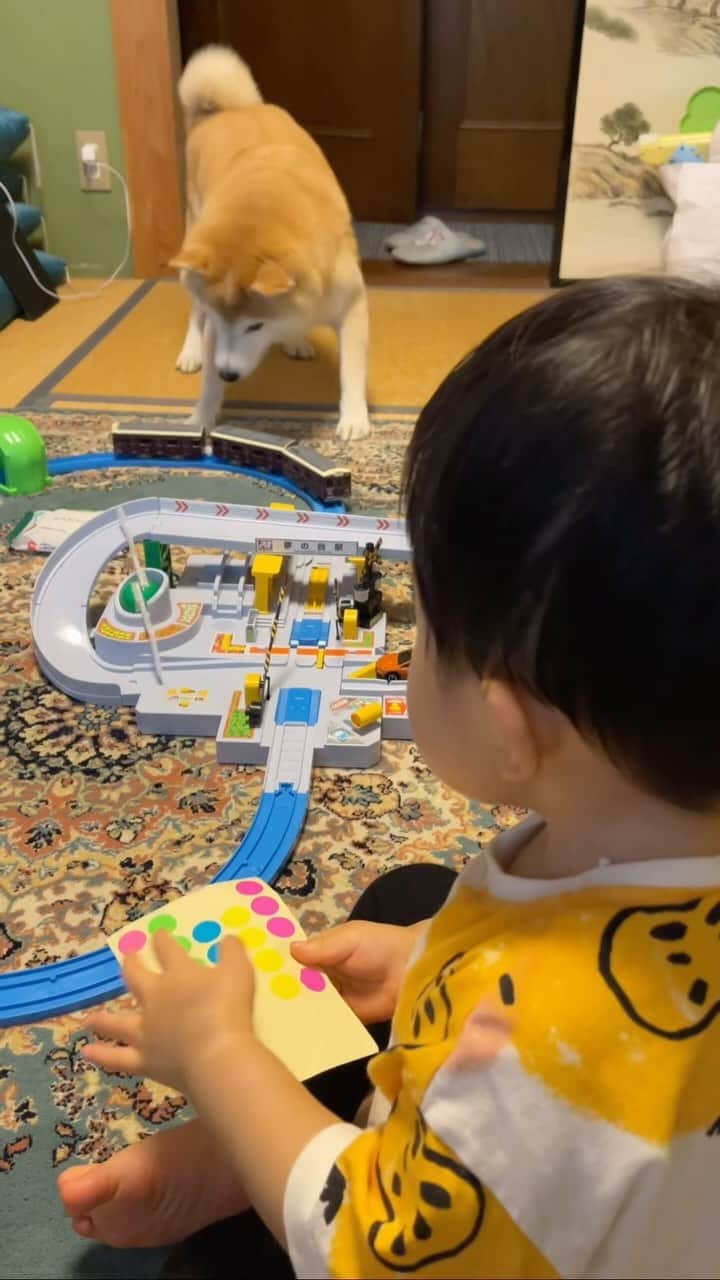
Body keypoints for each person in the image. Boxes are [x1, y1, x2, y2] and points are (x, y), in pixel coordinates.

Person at [59, 276, 720, 1279]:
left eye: (428, 631)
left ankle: (261, 1161)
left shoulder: (531, 1060)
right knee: (416, 898)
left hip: (421, 1231)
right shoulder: (646, 838)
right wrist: (427, 958)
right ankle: (288, 1137)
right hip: (599, 1166)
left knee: (220, 1261)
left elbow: (368, 1254)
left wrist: (218, 1056)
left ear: (509, 727)